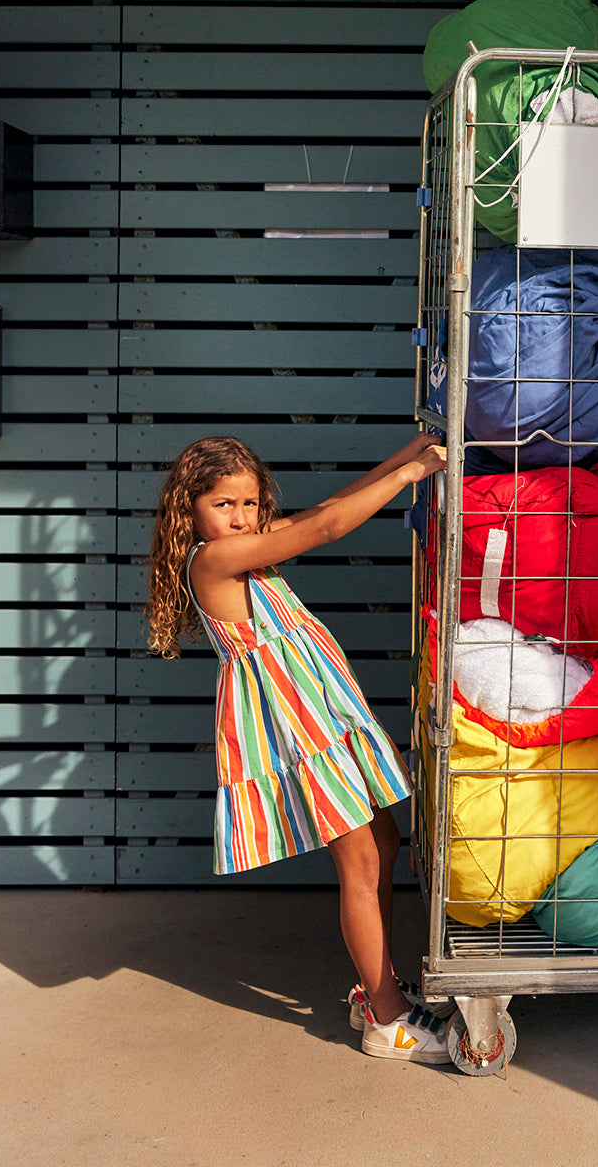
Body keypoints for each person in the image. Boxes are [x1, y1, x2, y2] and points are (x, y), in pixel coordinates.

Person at [146, 431, 453, 1065]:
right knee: (361, 862)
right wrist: (411, 474)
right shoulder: (211, 561)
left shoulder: (249, 550)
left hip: (324, 712)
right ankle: (386, 1017)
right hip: (297, 725)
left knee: (385, 843)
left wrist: (403, 455)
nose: (240, 517)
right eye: (224, 504)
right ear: (191, 510)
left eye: (251, 505)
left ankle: (380, 985)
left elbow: (321, 511)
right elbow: (325, 531)